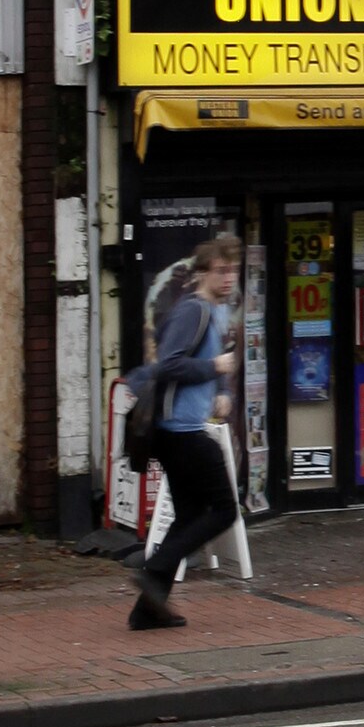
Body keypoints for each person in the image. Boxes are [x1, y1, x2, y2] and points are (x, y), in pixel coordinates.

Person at [129, 232, 242, 631]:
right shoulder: (192, 311)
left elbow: (210, 363)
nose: (229, 278)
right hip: (179, 430)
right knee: (223, 509)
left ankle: (147, 610)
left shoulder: (213, 313)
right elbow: (170, 364)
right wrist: (216, 371)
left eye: (234, 271)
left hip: (184, 427)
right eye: (221, 270)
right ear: (202, 273)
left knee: (190, 514)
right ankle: (155, 567)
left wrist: (222, 390)